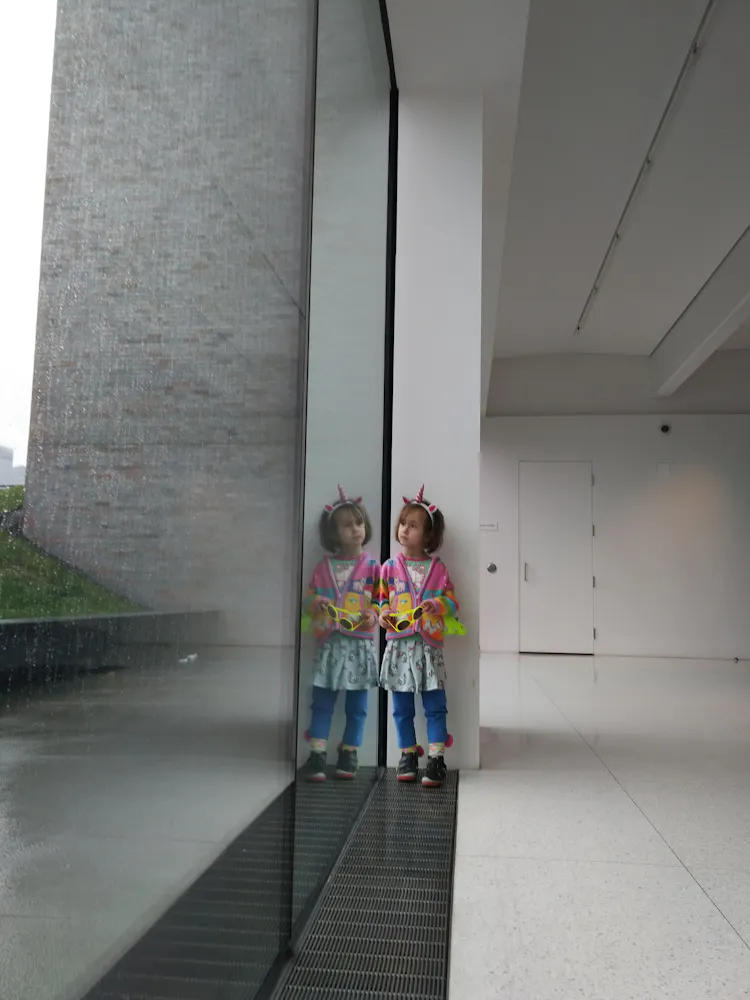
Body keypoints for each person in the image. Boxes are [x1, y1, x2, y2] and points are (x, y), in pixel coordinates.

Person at [378, 485, 457, 788]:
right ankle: (408, 754)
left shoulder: (438, 570)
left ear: (428, 535)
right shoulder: (388, 568)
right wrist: (383, 613)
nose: (405, 530)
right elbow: (382, 600)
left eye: (413, 526)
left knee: (435, 704)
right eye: (403, 524)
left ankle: (436, 759)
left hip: (428, 648)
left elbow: (452, 603)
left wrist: (435, 604)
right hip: (399, 647)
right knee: (401, 707)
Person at [302, 485, 380, 781]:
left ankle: (349, 752)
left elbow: (382, 600)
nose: (355, 529)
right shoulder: (324, 567)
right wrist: (316, 602)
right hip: (330, 645)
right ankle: (317, 754)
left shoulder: (373, 566)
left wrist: (373, 614)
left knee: (357, 705)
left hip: (359, 645)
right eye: (347, 525)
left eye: (358, 523)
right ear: (333, 532)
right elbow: (309, 599)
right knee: (322, 701)